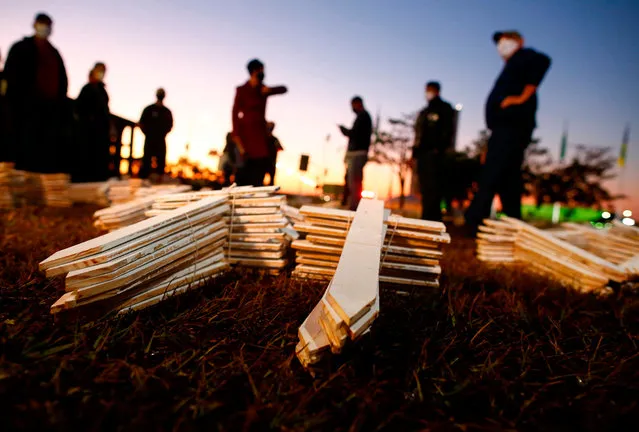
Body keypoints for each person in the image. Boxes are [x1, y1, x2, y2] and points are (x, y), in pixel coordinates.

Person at [465, 30, 551, 236]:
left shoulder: (525, 57)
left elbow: (544, 61)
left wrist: (521, 97)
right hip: (502, 129)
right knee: (508, 177)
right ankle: (513, 224)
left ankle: (475, 221)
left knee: (491, 175)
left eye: (506, 41)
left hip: (512, 126)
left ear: (519, 41)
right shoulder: (511, 66)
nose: (501, 46)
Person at [3, 13, 70, 174]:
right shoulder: (21, 48)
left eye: (47, 25)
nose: (44, 28)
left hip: (50, 111)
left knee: (44, 154)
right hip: (25, 108)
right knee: (22, 151)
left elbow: (62, 81)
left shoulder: (54, 53)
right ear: (35, 25)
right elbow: (10, 75)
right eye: (42, 24)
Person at [231, 58, 288, 187]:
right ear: (254, 71)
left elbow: (284, 89)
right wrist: (237, 137)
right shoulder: (242, 90)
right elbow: (235, 114)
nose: (263, 73)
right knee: (242, 175)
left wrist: (269, 90)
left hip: (260, 137)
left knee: (258, 175)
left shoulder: (262, 90)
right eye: (261, 70)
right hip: (245, 136)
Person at [411, 81, 455, 221]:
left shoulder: (444, 108)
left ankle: (434, 219)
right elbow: (418, 135)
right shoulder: (424, 112)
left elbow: (448, 131)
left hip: (436, 155)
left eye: (429, 90)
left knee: (435, 188)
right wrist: (414, 154)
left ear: (436, 91)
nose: (427, 93)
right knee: (425, 188)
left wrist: (439, 149)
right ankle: (426, 217)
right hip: (423, 155)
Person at [74, 63, 111, 181]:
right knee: (86, 160)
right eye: (99, 70)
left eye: (103, 71)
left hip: (101, 133)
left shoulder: (103, 91)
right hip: (88, 132)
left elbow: (105, 111)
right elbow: (78, 109)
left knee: (100, 161)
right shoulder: (87, 89)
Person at [338, 96, 372, 211]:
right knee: (351, 181)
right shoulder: (361, 117)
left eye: (353, 104)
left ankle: (355, 208)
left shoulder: (363, 116)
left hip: (358, 154)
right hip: (355, 153)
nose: (352, 107)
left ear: (358, 104)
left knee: (355, 182)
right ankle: (352, 205)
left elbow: (355, 134)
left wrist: (344, 131)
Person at [139, 88, 173, 181]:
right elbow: (141, 123)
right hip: (149, 139)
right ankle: (144, 180)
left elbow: (170, 125)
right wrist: (148, 134)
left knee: (161, 162)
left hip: (161, 140)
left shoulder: (167, 111)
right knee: (146, 160)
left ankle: (159, 180)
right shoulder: (149, 109)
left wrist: (162, 134)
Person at [265, 121, 283, 186]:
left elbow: (280, 148)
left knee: (271, 181)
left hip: (271, 162)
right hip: (264, 162)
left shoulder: (274, 139)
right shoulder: (266, 138)